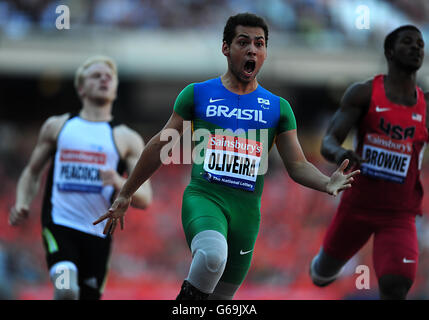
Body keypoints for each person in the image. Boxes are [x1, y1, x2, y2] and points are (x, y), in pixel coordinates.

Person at [94, 13, 358, 300]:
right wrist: (126, 193)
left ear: (265, 52)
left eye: (259, 44)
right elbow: (161, 144)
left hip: (246, 215)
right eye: (243, 42)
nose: (251, 50)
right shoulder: (197, 94)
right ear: (225, 48)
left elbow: (296, 165)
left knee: (220, 301)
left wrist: (326, 182)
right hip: (205, 198)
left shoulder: (278, 108)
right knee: (211, 256)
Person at [9, 56, 153, 300]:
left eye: (109, 77)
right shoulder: (58, 126)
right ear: (81, 87)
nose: (104, 79)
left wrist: (119, 182)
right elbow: (32, 172)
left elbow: (145, 198)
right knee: (66, 289)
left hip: (98, 235)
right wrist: (22, 201)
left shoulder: (127, 138)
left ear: (116, 88)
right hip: (60, 226)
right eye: (96, 76)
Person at [310, 25, 428, 300]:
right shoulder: (363, 94)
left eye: (420, 44)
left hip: (400, 215)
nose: (416, 48)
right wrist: (341, 153)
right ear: (389, 51)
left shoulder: (426, 107)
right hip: (358, 207)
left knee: (397, 285)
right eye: (408, 42)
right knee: (322, 276)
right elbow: (329, 140)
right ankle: (321, 265)